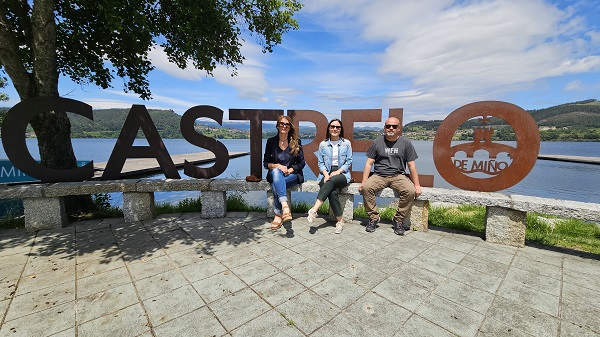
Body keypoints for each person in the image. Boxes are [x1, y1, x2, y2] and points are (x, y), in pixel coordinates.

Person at [358, 117, 422, 235]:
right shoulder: (377, 142)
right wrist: (363, 182)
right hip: (379, 175)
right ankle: (373, 218)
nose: (391, 128)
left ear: (399, 128)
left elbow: (411, 166)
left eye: (394, 126)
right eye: (388, 126)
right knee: (366, 188)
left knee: (410, 191)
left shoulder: (406, 143)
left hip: (398, 175)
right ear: (384, 128)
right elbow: (368, 163)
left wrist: (417, 185)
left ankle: (398, 220)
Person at [306, 119, 353, 234]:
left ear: (341, 129)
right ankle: (340, 221)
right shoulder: (323, 144)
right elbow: (320, 163)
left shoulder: (346, 143)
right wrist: (326, 174)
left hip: (342, 174)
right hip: (325, 173)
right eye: (332, 126)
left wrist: (337, 172)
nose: (335, 129)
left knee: (331, 182)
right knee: (331, 192)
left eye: (338, 127)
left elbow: (349, 161)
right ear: (328, 128)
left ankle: (314, 209)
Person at [263, 115, 305, 230]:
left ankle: (278, 214)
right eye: (282, 124)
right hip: (275, 174)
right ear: (277, 125)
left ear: (290, 127)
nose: (284, 126)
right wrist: (277, 166)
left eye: (287, 124)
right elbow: (266, 163)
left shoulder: (296, 142)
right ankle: (285, 206)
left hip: (292, 175)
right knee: (276, 173)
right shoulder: (271, 142)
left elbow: (301, 163)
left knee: (276, 184)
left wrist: (290, 169)